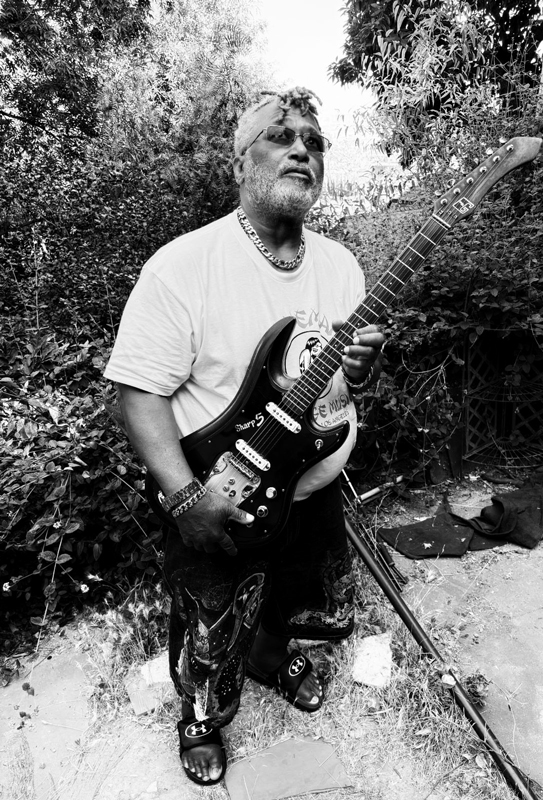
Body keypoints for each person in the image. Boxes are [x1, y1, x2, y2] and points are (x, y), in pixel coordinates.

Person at [104, 86, 384, 786]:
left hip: (313, 486)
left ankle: (265, 656)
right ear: (239, 163)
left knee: (290, 597)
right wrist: (183, 496)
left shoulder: (342, 266)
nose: (302, 149)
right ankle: (201, 713)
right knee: (207, 618)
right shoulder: (184, 266)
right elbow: (137, 392)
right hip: (219, 488)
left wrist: (364, 370)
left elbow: (342, 381)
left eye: (315, 142)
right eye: (280, 136)